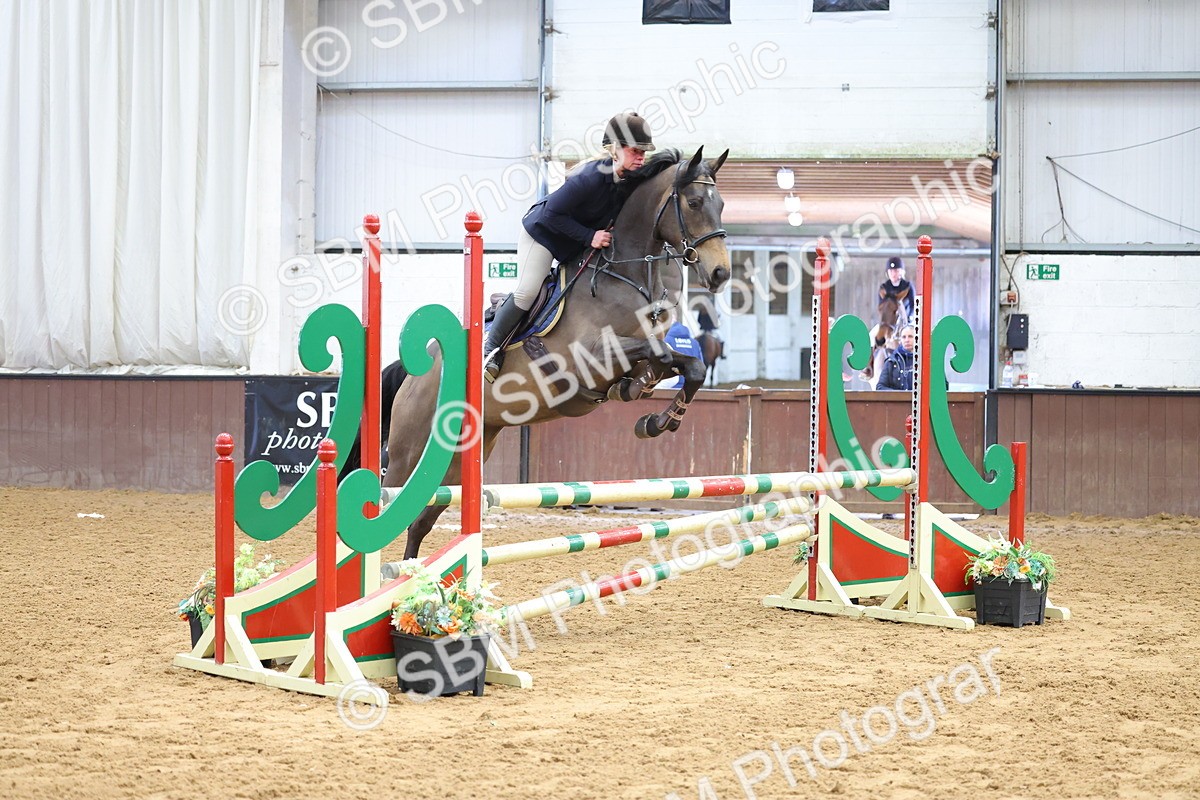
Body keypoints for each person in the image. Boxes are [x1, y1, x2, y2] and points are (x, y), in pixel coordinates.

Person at [482, 112, 656, 382]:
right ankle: (491, 349)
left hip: (573, 244)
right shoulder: (590, 177)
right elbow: (552, 214)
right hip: (543, 235)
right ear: (615, 150)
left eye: (644, 153)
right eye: (636, 151)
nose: (641, 158)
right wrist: (590, 237)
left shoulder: (629, 184)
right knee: (528, 291)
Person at [658, 320, 703, 390]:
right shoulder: (695, 343)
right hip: (690, 388)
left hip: (669, 387)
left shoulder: (666, 340)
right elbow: (701, 365)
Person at [877, 324, 915, 391]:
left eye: (910, 336)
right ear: (900, 340)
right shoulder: (891, 361)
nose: (907, 340)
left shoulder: (925, 360)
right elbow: (880, 387)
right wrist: (899, 395)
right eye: (904, 337)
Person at [879, 256, 914, 322]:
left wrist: (910, 316)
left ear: (901, 272)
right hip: (889, 320)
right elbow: (881, 305)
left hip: (906, 318)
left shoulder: (907, 286)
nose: (893, 274)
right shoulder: (884, 287)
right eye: (890, 271)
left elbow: (913, 304)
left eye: (896, 271)